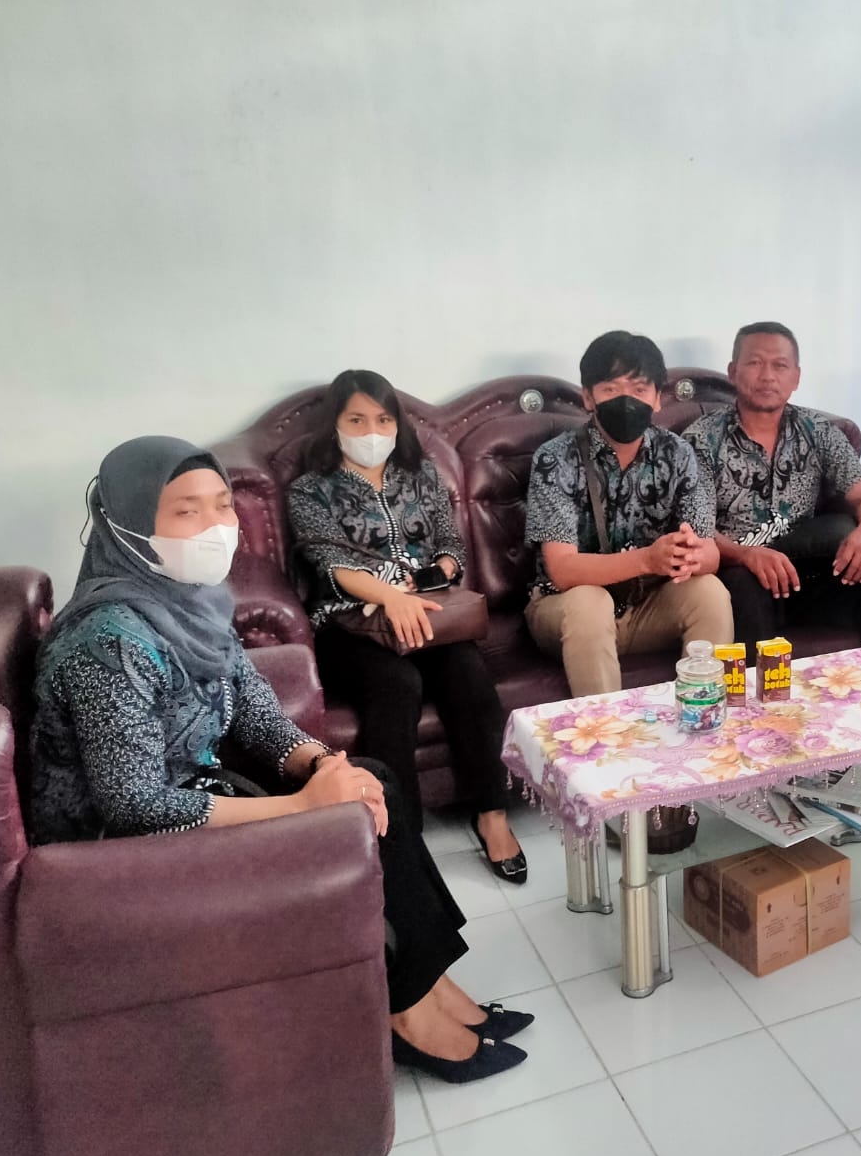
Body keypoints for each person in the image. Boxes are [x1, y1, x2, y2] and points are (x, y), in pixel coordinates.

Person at [28, 437, 533, 1082]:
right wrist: (302, 806)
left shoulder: (191, 603)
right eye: (185, 511)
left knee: (371, 781)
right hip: (114, 855)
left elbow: (257, 713)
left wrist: (324, 767)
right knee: (334, 818)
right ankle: (407, 1012)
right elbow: (132, 805)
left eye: (222, 505)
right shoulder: (106, 642)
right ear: (125, 525)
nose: (215, 526)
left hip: (190, 791)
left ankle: (426, 986)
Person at [287, 371, 526, 885]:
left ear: (397, 424)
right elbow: (329, 562)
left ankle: (492, 814)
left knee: (468, 675)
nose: (371, 431)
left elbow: (452, 550)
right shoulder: (310, 491)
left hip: (427, 612)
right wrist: (390, 596)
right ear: (334, 425)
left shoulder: (421, 476)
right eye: (356, 420)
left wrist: (429, 579)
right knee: (397, 684)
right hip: (349, 623)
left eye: (382, 419)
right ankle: (401, 839)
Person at [684, 320, 861, 668]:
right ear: (733, 372)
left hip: (809, 573)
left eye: (780, 365)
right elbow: (697, 529)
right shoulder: (702, 439)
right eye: (755, 363)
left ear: (796, 377)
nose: (767, 376)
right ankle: (762, 700)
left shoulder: (818, 432)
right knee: (741, 584)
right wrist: (745, 555)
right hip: (743, 577)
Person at [524, 330, 733, 697]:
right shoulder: (556, 458)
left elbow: (710, 554)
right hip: (566, 611)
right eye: (611, 389)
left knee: (709, 592)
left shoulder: (678, 454)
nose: (626, 401)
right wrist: (648, 559)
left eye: (639, 389)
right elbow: (562, 569)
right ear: (588, 397)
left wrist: (689, 556)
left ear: (657, 397)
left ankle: (701, 714)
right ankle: (604, 730)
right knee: (590, 602)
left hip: (647, 606)